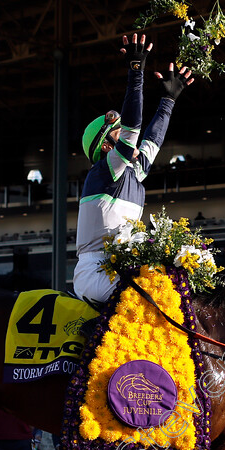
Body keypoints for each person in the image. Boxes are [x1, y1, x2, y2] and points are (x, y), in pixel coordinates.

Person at [73, 33, 194, 305]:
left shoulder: (133, 174)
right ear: (107, 148)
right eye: (117, 134)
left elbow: (153, 140)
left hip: (113, 267)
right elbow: (133, 127)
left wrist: (168, 101)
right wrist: (135, 73)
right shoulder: (106, 170)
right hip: (94, 272)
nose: (130, 138)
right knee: (153, 294)